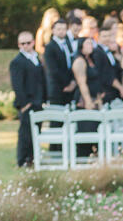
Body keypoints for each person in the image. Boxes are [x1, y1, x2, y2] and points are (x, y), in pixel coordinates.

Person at [10, 30, 46, 167]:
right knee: (25, 133)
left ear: (33, 42)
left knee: (36, 131)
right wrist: (24, 103)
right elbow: (17, 85)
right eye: (22, 43)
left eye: (28, 42)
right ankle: (23, 159)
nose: (26, 45)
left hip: (38, 101)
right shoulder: (17, 62)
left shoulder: (36, 58)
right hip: (28, 103)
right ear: (19, 45)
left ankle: (33, 157)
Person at [71, 37, 103, 157]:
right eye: (88, 43)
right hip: (84, 101)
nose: (91, 46)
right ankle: (83, 157)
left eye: (91, 43)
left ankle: (94, 155)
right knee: (86, 130)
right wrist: (88, 101)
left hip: (95, 98)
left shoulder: (90, 59)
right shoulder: (79, 61)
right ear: (81, 46)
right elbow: (81, 82)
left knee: (94, 129)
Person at [43, 18, 75, 105]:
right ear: (53, 30)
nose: (61, 31)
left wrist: (73, 82)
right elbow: (53, 70)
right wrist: (67, 84)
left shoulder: (68, 44)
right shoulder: (49, 47)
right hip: (57, 89)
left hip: (70, 89)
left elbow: (72, 63)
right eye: (59, 29)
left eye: (64, 29)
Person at [95, 22, 123, 104]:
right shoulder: (97, 52)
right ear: (98, 37)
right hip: (105, 90)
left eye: (109, 36)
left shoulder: (111, 51)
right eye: (104, 36)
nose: (107, 38)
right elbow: (105, 74)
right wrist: (121, 88)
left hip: (114, 91)